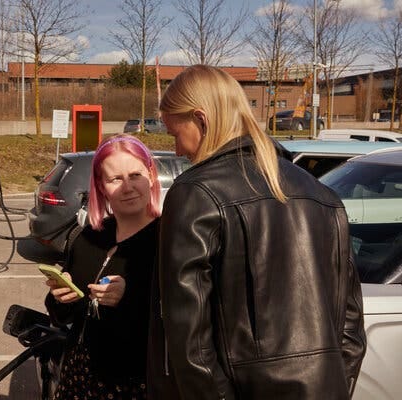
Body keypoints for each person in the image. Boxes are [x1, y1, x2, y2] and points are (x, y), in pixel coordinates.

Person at [148, 65, 366, 400]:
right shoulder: (325, 196)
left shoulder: (196, 192)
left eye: (176, 135)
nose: (177, 150)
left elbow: (189, 342)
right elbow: (351, 332)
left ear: (202, 120)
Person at [45, 134, 161, 399]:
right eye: (115, 179)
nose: (127, 187)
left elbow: (180, 321)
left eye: (135, 175)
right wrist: (61, 298)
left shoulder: (169, 240)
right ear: (100, 185)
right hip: (77, 374)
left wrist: (129, 298)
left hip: (134, 383)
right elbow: (62, 317)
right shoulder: (87, 237)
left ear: (151, 176)